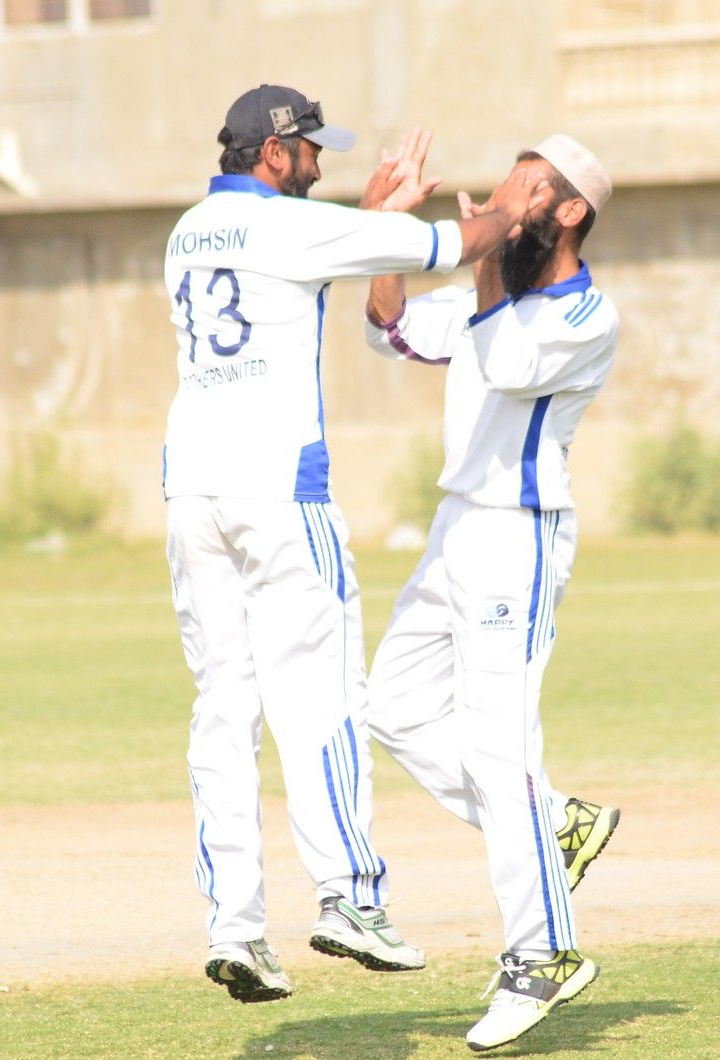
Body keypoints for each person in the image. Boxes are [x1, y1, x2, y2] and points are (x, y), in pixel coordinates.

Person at [162, 84, 551, 1004]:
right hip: (279, 494)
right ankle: (350, 898)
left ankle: (235, 927)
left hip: (192, 494)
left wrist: (374, 212)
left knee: (223, 712)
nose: (318, 162)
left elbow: (320, 254)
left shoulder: (186, 231)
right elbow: (453, 248)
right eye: (309, 150)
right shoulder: (292, 229)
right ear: (273, 153)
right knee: (324, 699)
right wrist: (516, 208)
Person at [361, 134, 622, 1051]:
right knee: (390, 708)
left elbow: (507, 364)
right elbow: (391, 328)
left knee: (497, 748)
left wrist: (478, 260)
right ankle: (554, 824)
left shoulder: (586, 314)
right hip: (456, 530)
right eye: (503, 190)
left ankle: (543, 954)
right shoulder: (496, 287)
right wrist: (386, 228)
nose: (504, 204)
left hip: (519, 536)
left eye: (525, 194)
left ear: (569, 212)